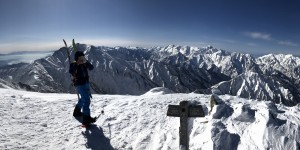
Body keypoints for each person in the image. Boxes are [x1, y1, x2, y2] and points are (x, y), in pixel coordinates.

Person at [69, 51, 95, 125]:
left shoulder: (84, 64)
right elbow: (71, 71)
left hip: (86, 83)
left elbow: (91, 67)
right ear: (77, 58)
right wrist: (77, 64)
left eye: (83, 57)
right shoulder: (73, 64)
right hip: (79, 84)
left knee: (83, 99)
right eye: (81, 57)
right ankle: (86, 118)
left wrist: (86, 62)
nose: (82, 59)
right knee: (86, 100)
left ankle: (76, 112)